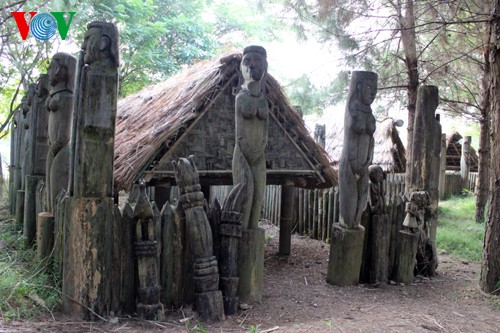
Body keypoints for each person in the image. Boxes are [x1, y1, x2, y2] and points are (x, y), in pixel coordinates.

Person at [232, 45, 269, 230]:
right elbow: (239, 133)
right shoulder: (240, 98)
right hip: (243, 154)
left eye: (257, 61)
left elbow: (265, 130)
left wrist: (260, 148)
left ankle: (253, 234)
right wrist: (248, 151)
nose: (252, 66)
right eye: (247, 61)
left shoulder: (264, 100)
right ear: (241, 67)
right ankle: (242, 236)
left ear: (265, 66)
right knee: (245, 195)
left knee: (259, 197)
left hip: (259, 155)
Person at [339, 71, 377, 229]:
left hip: (365, 164)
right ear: (359, 86)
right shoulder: (352, 110)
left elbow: (371, 140)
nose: (373, 92)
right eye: (369, 87)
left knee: (362, 199)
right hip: (350, 162)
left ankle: (355, 222)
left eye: (375, 88)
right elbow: (349, 139)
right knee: (350, 201)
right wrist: (353, 162)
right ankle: (347, 223)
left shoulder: (371, 114)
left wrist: (368, 161)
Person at [46, 52, 76, 211]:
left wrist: (55, 146)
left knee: (58, 189)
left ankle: (57, 223)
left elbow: (65, 134)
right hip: (54, 148)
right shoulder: (57, 97)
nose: (50, 71)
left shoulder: (67, 98)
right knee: (51, 188)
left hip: (61, 150)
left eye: (52, 67)